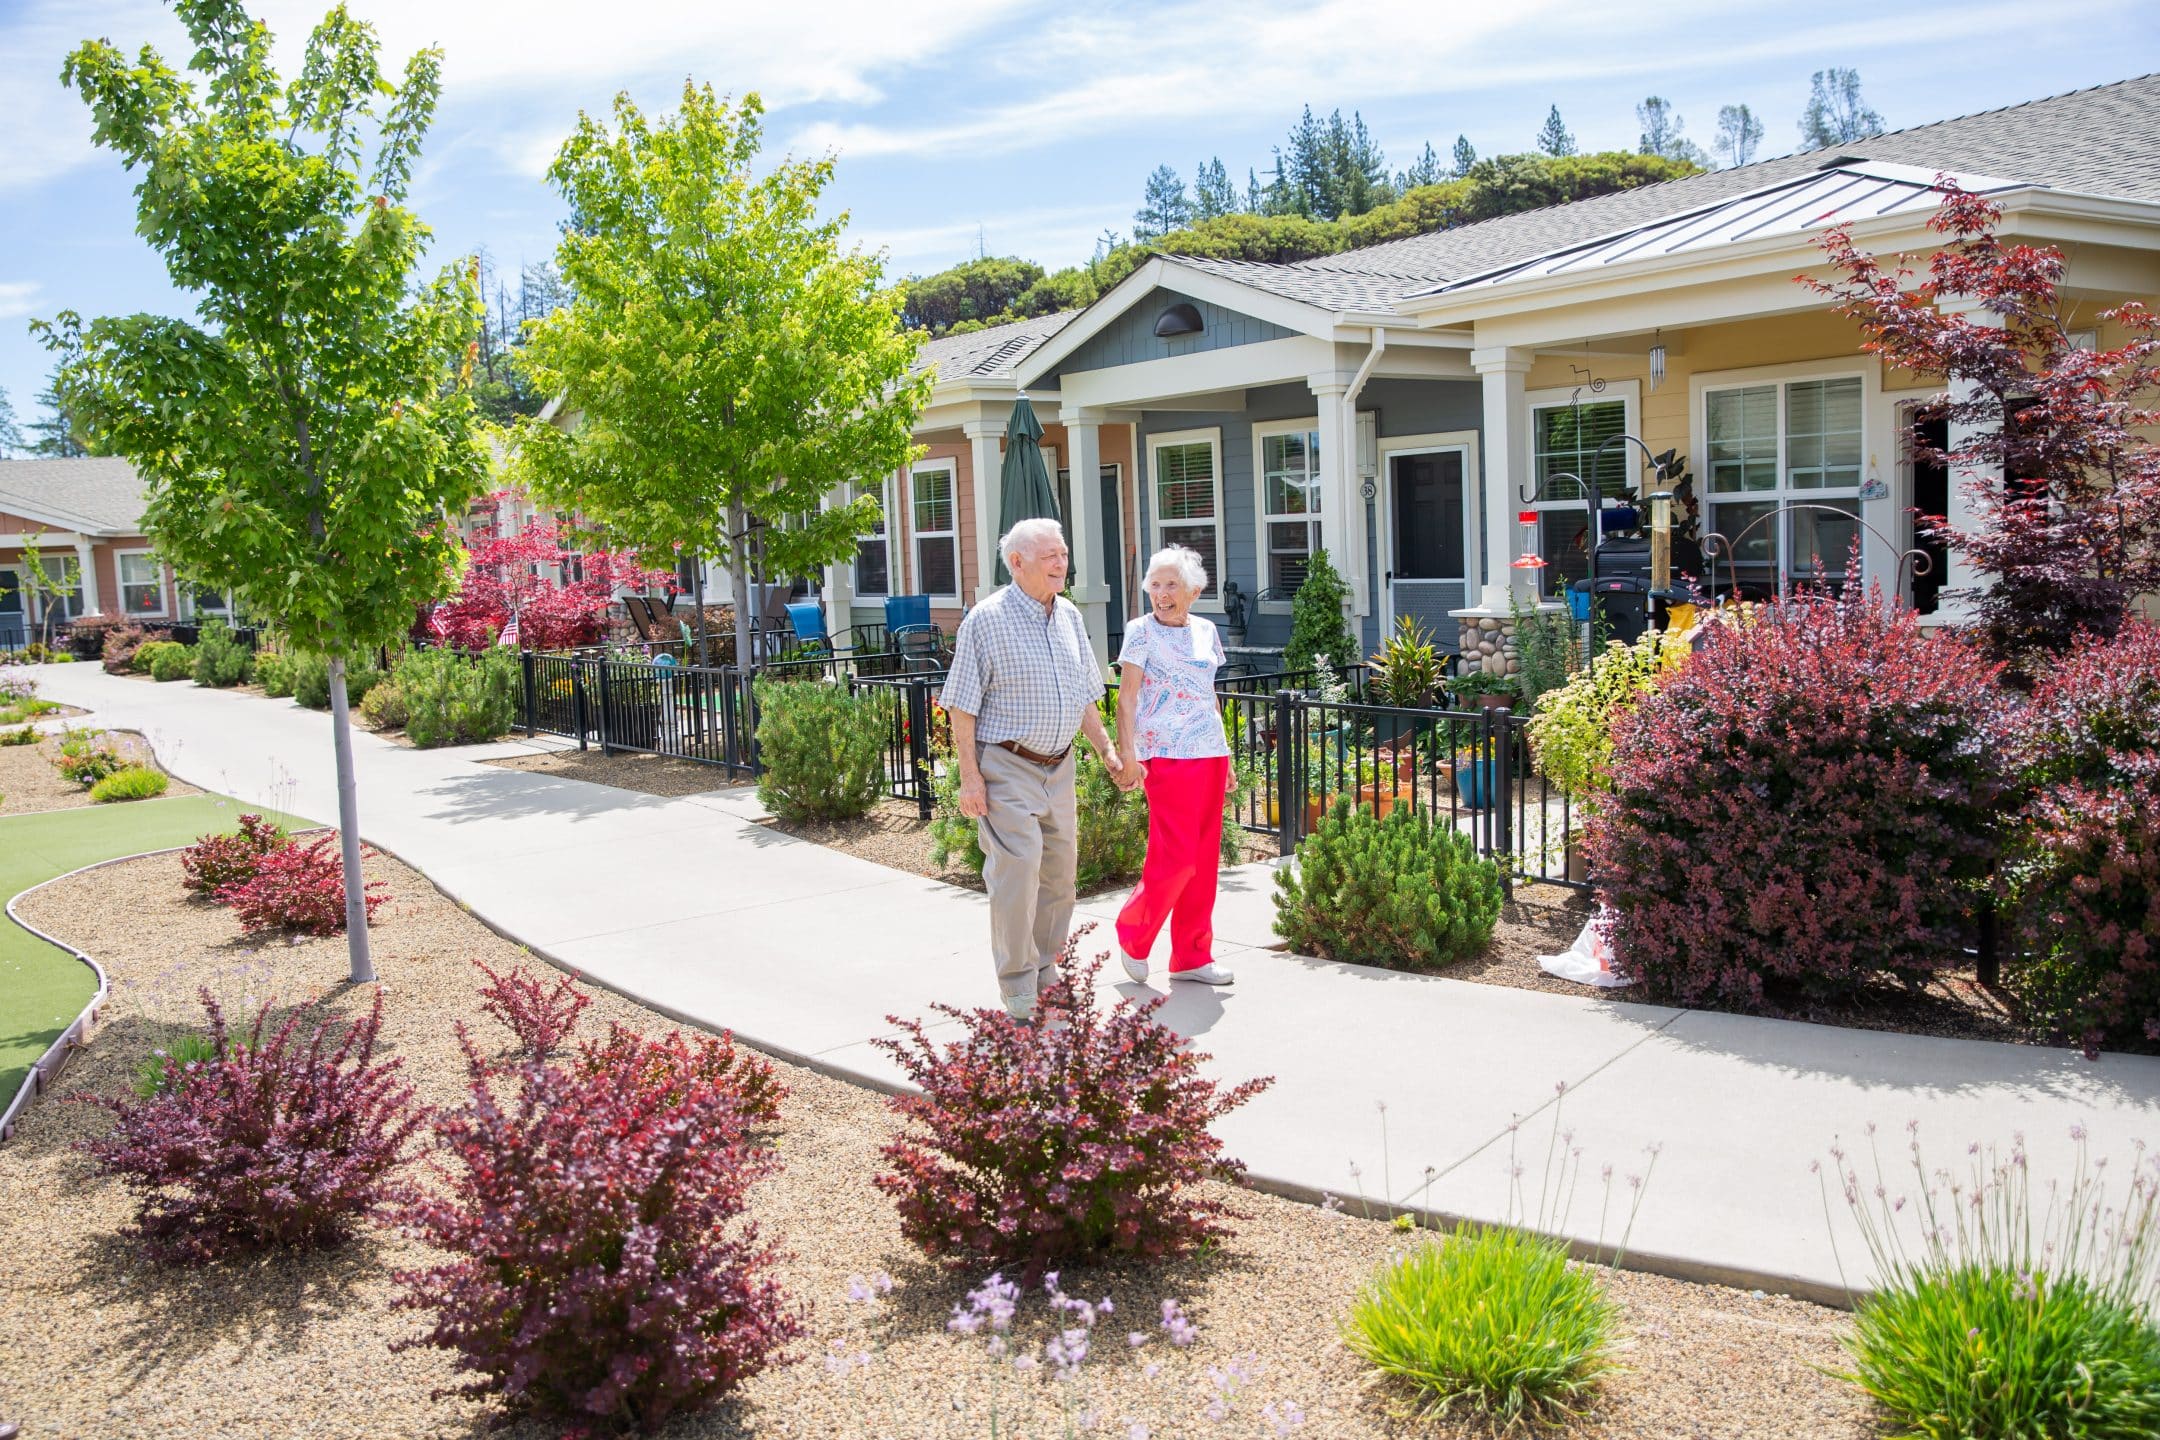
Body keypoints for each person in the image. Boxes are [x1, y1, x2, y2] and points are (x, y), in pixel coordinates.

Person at [940, 517, 1130, 1019]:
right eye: (1049, 555)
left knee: (1060, 875)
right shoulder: (986, 620)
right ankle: (1018, 982)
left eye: (1063, 553)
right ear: (1017, 562)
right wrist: (970, 776)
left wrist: (1107, 750)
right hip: (1007, 764)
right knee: (1017, 871)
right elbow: (961, 704)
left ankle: (1047, 968)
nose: (1060, 562)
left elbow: (1085, 694)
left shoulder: (1068, 615)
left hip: (1060, 766)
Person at [1113, 546, 1237, 987]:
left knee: (1203, 861)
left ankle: (1191, 956)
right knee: (1177, 857)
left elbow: (1208, 695)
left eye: (1171, 586)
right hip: (1164, 755)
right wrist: (1127, 753)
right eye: (1155, 585)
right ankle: (1133, 932)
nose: (1161, 594)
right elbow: (1126, 697)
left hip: (1210, 754)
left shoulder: (1206, 630)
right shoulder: (1140, 631)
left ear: (1194, 591)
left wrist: (1229, 756)